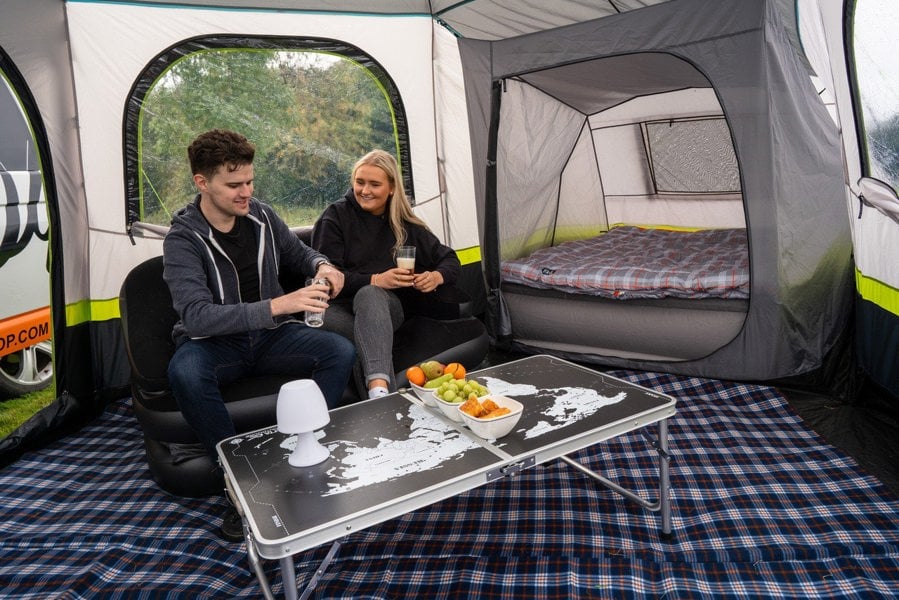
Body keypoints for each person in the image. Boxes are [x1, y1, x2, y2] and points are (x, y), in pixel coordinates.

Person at [163, 129, 356, 541]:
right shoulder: (183, 239)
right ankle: (237, 484)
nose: (246, 192)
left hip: (269, 338)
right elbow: (196, 318)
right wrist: (279, 305)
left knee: (338, 351)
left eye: (250, 181)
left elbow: (300, 254)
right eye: (234, 185)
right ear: (202, 182)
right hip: (214, 344)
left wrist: (323, 266)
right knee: (185, 374)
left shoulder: (263, 216)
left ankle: (304, 450)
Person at [311, 149, 461, 399]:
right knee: (361, 321)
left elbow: (449, 259)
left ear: (391, 188)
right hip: (336, 308)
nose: (365, 190)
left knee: (371, 295)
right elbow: (327, 279)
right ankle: (380, 394)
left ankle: (380, 396)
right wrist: (376, 279)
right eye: (360, 182)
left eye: (374, 184)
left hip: (382, 308)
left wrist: (436, 277)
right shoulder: (335, 217)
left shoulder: (404, 224)